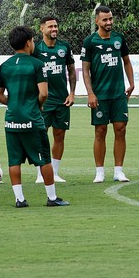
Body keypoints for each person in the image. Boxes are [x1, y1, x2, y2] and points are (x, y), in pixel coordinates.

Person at [0, 26, 70, 207]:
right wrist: (35, 105)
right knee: (44, 158)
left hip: (12, 120)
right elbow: (43, 93)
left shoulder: (4, 66)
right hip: (33, 119)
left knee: (14, 160)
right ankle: (52, 198)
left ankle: (19, 199)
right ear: (28, 43)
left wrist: (14, 104)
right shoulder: (37, 64)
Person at [82, 6, 134, 183]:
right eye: (105, 19)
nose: (109, 22)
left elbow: (126, 61)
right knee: (100, 131)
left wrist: (131, 83)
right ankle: (99, 171)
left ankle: (119, 171)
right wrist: (90, 93)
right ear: (97, 21)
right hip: (100, 95)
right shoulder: (90, 42)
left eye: (111, 19)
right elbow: (85, 69)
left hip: (118, 94)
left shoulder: (119, 39)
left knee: (121, 129)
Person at [34, 16, 77, 184]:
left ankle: (55, 172)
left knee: (59, 135)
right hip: (43, 101)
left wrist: (72, 93)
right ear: (42, 29)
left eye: (56, 26)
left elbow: (71, 71)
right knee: (40, 136)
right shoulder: (36, 49)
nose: (54, 29)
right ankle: (40, 173)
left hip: (62, 100)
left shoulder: (64, 47)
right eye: (50, 26)